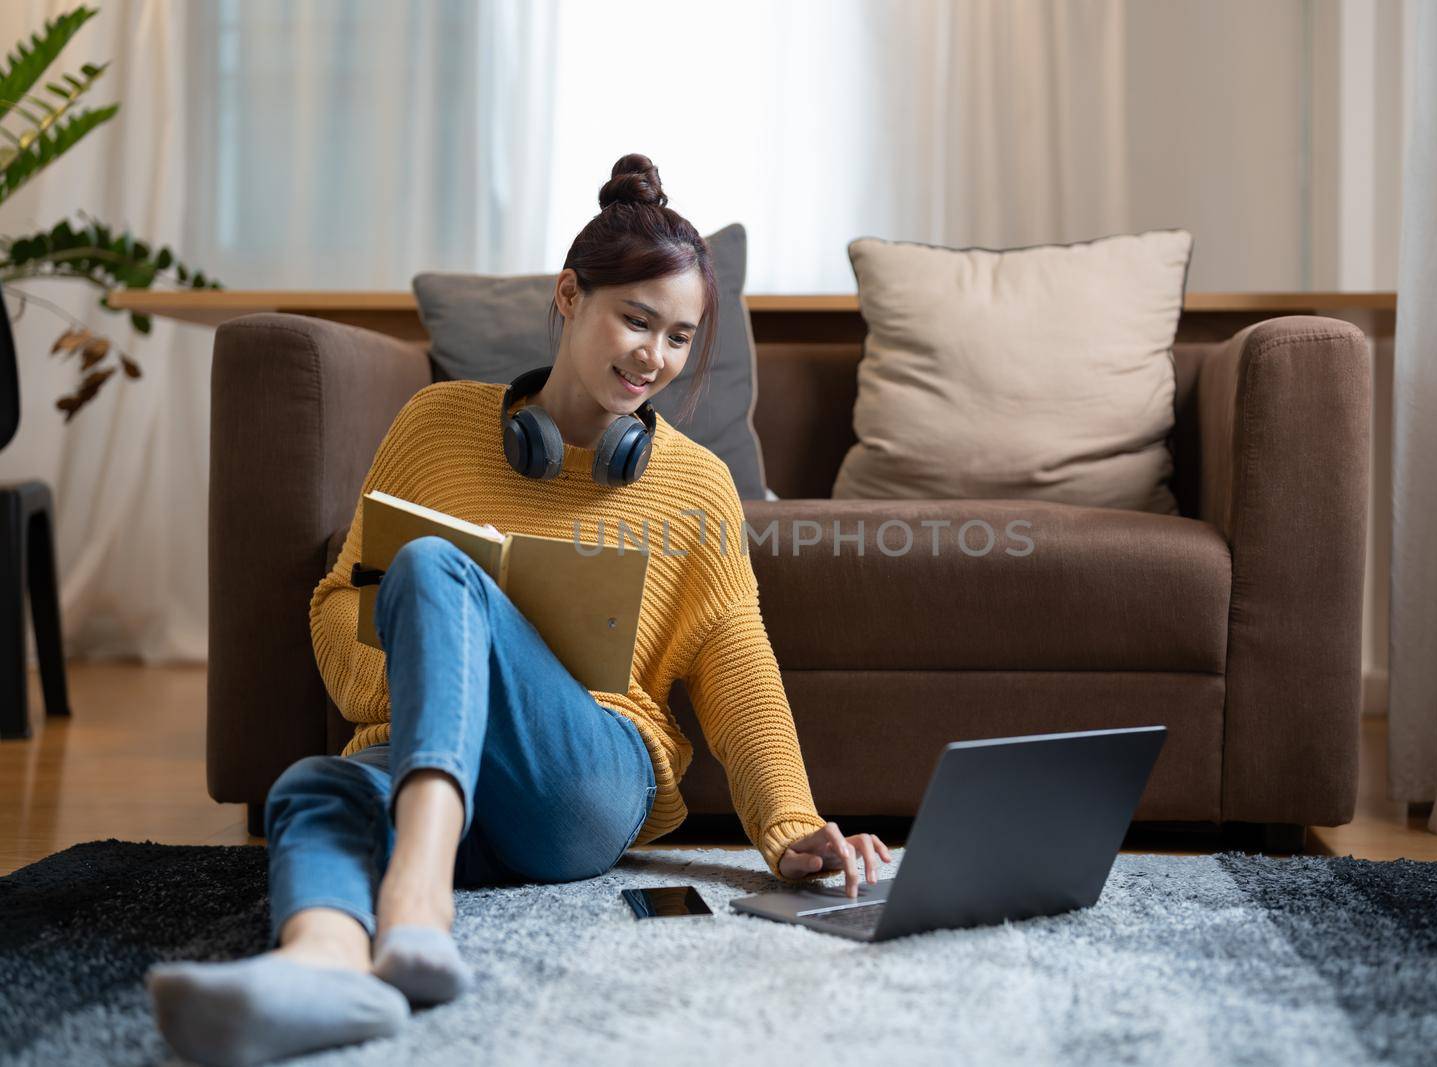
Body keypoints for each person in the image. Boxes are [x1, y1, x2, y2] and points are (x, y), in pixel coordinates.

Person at [144, 153, 892, 1065]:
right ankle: (323, 967)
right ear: (570, 296)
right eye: (637, 319)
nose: (654, 356)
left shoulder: (698, 487)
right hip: (443, 771)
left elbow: (739, 664)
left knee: (433, 568)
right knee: (316, 786)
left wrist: (787, 824)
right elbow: (342, 605)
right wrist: (436, 667)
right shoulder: (434, 425)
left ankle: (418, 907)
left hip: (583, 783)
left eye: (680, 337)